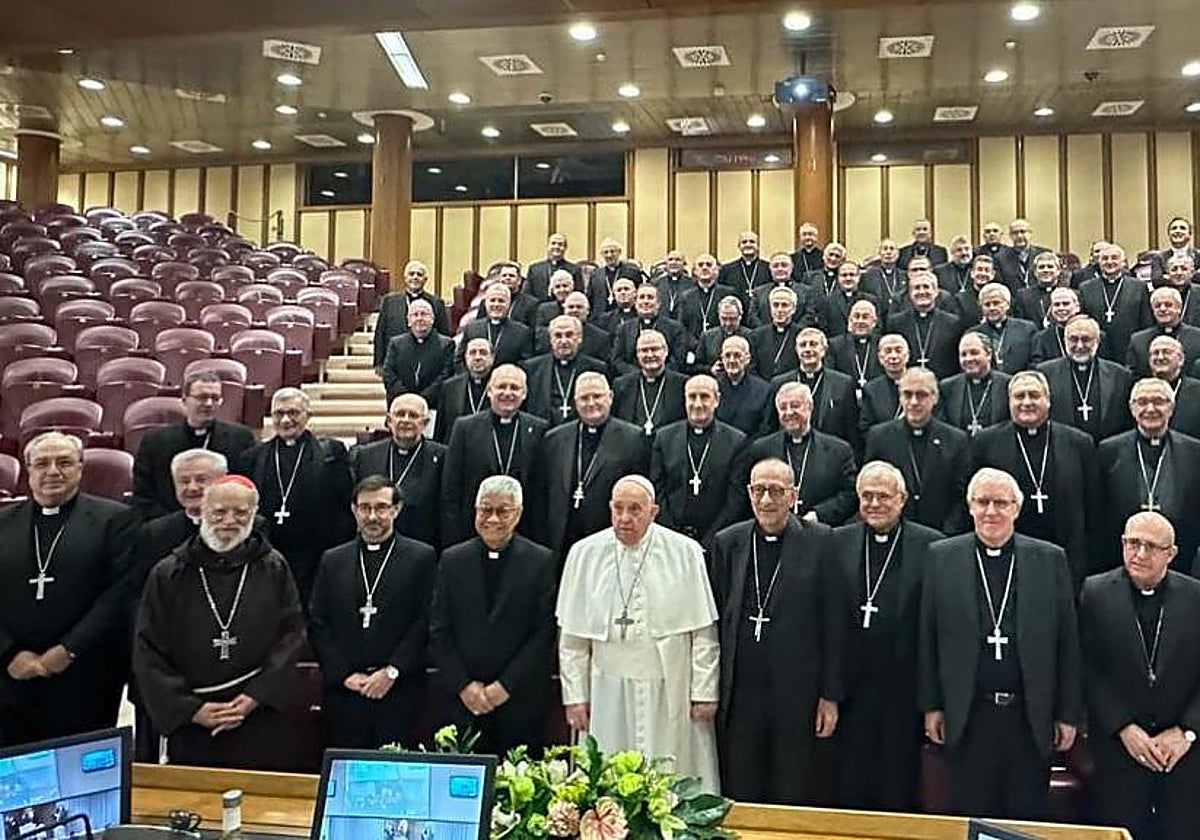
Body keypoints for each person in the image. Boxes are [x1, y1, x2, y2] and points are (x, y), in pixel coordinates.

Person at [919, 467, 1082, 820]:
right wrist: (932, 705)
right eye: (982, 502)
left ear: (1016, 509)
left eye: (1000, 503)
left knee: (1025, 817)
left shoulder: (1050, 559)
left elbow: (1067, 642)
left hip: (1029, 717)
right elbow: (929, 638)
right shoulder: (941, 557)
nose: (991, 511)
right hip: (969, 715)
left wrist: (1067, 713)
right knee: (971, 816)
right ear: (970, 507)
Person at [557, 475, 720, 792]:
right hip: (606, 690)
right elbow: (573, 641)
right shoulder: (584, 554)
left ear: (653, 511)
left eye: (635, 509)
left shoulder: (684, 552)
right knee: (607, 777)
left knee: (670, 775)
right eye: (618, 508)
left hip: (668, 685)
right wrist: (575, 697)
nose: (624, 518)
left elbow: (703, 633)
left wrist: (704, 691)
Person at [133, 475, 306, 769]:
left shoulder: (273, 566)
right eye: (219, 512)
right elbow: (147, 648)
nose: (229, 520)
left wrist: (255, 696)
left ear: (254, 514)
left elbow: (292, 635)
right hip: (193, 717)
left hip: (256, 712)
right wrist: (191, 708)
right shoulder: (169, 573)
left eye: (240, 512)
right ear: (202, 511)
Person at [708, 457, 841, 804]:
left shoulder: (822, 542)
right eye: (759, 490)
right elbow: (718, 618)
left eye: (776, 491)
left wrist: (830, 695)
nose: (766, 500)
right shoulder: (729, 542)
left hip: (797, 693)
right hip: (742, 693)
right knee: (741, 789)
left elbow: (834, 623)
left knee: (790, 789)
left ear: (793, 495)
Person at [0, 432, 135, 745]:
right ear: (28, 470)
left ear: (80, 468)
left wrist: (68, 650)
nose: (52, 472)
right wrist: (8, 653)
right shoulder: (3, 523)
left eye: (64, 463)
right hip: (10, 673)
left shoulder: (114, 520)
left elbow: (119, 594)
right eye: (42, 464)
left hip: (86, 671)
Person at [1079, 511, 1200, 840]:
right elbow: (1088, 668)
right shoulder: (1096, 592)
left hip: (1182, 754)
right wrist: (1123, 727)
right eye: (1132, 543)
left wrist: (1187, 732)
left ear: (1171, 554)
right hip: (1120, 749)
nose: (1140, 553)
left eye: (1151, 546)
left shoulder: (1195, 597)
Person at [830, 461, 942, 812]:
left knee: (899, 788)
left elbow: (936, 627)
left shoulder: (932, 546)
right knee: (849, 787)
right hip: (851, 690)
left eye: (883, 496)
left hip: (903, 690)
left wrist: (931, 701)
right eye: (866, 496)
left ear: (902, 499)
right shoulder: (837, 541)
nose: (874, 504)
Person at [430, 476, 556, 755]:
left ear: (519, 513)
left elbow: (543, 632)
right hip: (463, 699)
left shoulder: (540, 561)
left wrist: (505, 686)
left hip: (517, 698)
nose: (493, 519)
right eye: (485, 510)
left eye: (504, 511)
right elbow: (439, 630)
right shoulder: (452, 560)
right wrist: (464, 686)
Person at [309, 475, 436, 749]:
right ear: (354, 510)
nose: (373, 516)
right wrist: (345, 675)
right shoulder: (333, 560)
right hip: (345, 692)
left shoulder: (421, 557)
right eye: (365, 508)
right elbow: (319, 622)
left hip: (399, 690)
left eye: (381, 507)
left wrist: (392, 672)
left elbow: (425, 621)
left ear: (396, 509)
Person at [126, 448, 235, 760]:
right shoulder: (154, 534)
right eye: (183, 481)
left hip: (228, 667)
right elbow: (138, 602)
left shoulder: (251, 532)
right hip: (169, 669)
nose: (191, 488)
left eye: (201, 480)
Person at [969, 370, 1100, 587]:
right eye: (1019, 396)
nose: (1026, 402)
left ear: (1048, 400)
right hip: (1009, 551)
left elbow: (1093, 506)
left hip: (1067, 552)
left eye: (1034, 395)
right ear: (1009, 401)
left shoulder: (1079, 443)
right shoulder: (986, 443)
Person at [235, 388, 355, 604]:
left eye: (293, 413)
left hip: (316, 553)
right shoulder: (252, 458)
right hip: (268, 553)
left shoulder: (331, 455)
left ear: (308, 415)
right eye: (279, 414)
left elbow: (343, 506)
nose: (286, 420)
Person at [534, 372, 648, 557]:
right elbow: (541, 495)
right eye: (584, 398)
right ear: (575, 401)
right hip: (561, 540)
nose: (591, 403)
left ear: (610, 397)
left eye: (597, 396)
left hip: (608, 539)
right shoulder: (555, 439)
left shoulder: (632, 439)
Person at [1098, 377, 1200, 574]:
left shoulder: (1194, 452)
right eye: (1142, 402)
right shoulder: (1108, 451)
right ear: (1132, 408)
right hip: (1125, 560)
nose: (1150, 408)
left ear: (1171, 407)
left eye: (1159, 401)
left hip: (1181, 561)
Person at [440, 364, 548, 547]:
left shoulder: (538, 429)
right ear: (489, 391)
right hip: (472, 531)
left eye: (514, 388)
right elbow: (451, 486)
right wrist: (454, 537)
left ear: (524, 393)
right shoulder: (465, 427)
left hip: (523, 533)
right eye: (501, 387)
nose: (508, 393)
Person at [132, 370, 257, 520]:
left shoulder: (240, 438)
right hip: (169, 526)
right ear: (184, 400)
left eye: (215, 398)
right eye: (202, 397)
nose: (209, 404)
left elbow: (247, 489)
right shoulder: (156, 441)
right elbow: (143, 495)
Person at [864, 367, 968, 534]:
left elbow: (961, 496)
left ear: (934, 398)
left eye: (921, 395)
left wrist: (948, 533)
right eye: (907, 394)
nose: (913, 402)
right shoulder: (879, 437)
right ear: (900, 397)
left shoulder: (956, 440)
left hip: (942, 534)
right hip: (894, 532)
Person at [650, 375, 748, 546]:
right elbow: (657, 490)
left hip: (716, 541)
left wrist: (711, 539)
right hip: (671, 539)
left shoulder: (736, 441)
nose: (697, 404)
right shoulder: (664, 437)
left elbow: (735, 499)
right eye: (692, 397)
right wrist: (673, 535)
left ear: (716, 400)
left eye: (704, 397)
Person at [747, 382, 857, 526]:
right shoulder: (761, 449)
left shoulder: (839, 450)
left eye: (795, 405)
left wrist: (818, 515)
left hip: (822, 533)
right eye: (783, 407)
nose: (789, 412)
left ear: (810, 407)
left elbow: (850, 494)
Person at [349, 394, 444, 550]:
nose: (405, 420)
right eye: (400, 414)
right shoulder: (366, 455)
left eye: (413, 415)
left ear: (425, 422)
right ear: (389, 420)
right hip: (377, 541)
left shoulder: (442, 456)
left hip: (425, 544)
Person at [1039, 314, 1132, 443]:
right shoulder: (1045, 373)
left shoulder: (1120, 375)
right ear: (1065, 340)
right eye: (1073, 339)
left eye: (1086, 339)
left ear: (1097, 341)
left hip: (1106, 449)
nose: (1080, 345)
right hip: (1063, 448)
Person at [763, 328, 859, 449]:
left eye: (813, 344)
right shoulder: (779, 383)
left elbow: (851, 429)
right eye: (803, 345)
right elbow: (771, 426)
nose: (808, 349)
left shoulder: (843, 383)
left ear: (824, 350)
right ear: (797, 350)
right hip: (789, 449)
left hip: (831, 451)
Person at [523, 314, 608, 426]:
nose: (563, 341)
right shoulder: (532, 368)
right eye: (558, 336)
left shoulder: (596, 368)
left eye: (569, 335)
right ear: (550, 339)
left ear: (579, 338)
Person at [1078, 244, 1153, 362]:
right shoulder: (1086, 288)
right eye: (1105, 258)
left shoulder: (1138, 287)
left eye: (1114, 258)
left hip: (1129, 347)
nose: (1109, 262)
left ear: (1123, 262)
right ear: (1099, 262)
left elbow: (1146, 321)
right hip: (1098, 349)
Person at [373, 260, 451, 371]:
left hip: (427, 362)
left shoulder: (436, 303)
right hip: (396, 360)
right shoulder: (389, 301)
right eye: (411, 274)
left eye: (419, 274)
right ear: (405, 278)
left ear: (425, 280)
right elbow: (380, 333)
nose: (415, 277)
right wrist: (378, 363)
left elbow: (443, 334)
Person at [887, 271, 962, 380]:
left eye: (926, 287)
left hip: (943, 384)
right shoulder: (896, 322)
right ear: (910, 294)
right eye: (917, 288)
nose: (922, 292)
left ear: (936, 292)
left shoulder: (953, 322)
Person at [381, 299, 455, 407]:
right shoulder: (396, 344)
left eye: (424, 314)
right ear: (409, 321)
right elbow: (389, 374)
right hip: (401, 405)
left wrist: (422, 399)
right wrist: (408, 399)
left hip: (433, 406)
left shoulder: (446, 345)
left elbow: (445, 376)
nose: (419, 318)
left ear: (432, 319)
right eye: (415, 315)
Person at [612, 330, 686, 436]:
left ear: (665, 351)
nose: (650, 355)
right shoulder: (621, 385)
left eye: (654, 349)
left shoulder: (682, 384)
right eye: (644, 350)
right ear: (637, 354)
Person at [937, 332, 1011, 437]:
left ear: (989, 354)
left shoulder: (1006, 384)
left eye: (974, 353)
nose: (968, 359)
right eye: (963, 354)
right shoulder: (947, 387)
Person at [608, 284, 689, 376]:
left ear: (658, 303)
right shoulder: (624, 329)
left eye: (650, 297)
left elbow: (677, 359)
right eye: (642, 297)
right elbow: (617, 360)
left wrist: (658, 372)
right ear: (635, 303)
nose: (646, 301)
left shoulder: (675, 328)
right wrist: (639, 375)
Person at [1127, 286, 1200, 377]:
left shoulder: (1197, 337)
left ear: (1179, 308)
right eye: (1157, 306)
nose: (1162, 309)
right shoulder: (1138, 341)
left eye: (1168, 305)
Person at [967, 282, 1038, 375]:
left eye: (996, 303)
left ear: (1007, 305)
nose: (992, 308)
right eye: (987, 304)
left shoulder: (1027, 329)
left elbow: (1035, 360)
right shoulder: (973, 334)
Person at [459, 283, 533, 369]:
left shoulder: (522, 332)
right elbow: (460, 359)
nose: (496, 305)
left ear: (508, 304)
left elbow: (526, 363)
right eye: (492, 300)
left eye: (501, 301)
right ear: (486, 303)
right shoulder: (472, 328)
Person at [435, 337, 494, 443]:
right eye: (472, 353)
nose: (477, 357)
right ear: (466, 357)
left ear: (492, 357)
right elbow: (441, 428)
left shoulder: (500, 386)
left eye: (483, 353)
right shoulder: (449, 387)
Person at [713, 335, 771, 437]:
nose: (732, 360)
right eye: (727, 355)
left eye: (737, 355)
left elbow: (765, 428)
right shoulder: (713, 389)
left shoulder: (763, 390)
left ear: (747, 358)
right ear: (722, 359)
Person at [828, 299, 884, 393]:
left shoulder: (882, 344)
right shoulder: (835, 345)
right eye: (856, 316)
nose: (860, 321)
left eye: (865, 317)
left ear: (874, 322)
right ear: (850, 320)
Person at [1150, 335, 1200, 438]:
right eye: (1155, 353)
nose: (1160, 357)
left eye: (1166, 352)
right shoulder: (1139, 390)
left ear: (1181, 359)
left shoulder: (1197, 391)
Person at [749, 286, 802, 381]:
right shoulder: (757, 335)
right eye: (776, 305)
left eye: (784, 305)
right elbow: (751, 367)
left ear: (793, 309)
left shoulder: (801, 335)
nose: (780, 310)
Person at [678, 253, 737, 339]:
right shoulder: (687, 296)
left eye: (709, 265)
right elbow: (682, 327)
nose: (704, 268)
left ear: (716, 270)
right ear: (695, 271)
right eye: (700, 265)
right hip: (693, 347)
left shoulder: (727, 293)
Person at [858, 333, 908, 430]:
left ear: (907, 355)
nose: (893, 356)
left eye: (898, 350)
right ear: (880, 358)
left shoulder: (921, 384)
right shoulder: (871, 389)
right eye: (888, 351)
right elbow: (866, 427)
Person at [819, 260, 879, 338]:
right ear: (838, 278)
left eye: (852, 275)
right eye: (844, 275)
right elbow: (823, 328)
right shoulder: (828, 301)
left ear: (859, 277)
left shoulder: (871, 300)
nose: (848, 278)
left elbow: (878, 327)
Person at [586, 239, 643, 319]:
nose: (609, 255)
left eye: (612, 251)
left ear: (619, 252)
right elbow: (590, 298)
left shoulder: (632, 271)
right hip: (600, 317)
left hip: (626, 316)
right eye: (606, 252)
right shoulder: (595, 274)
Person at [1030, 286, 1084, 364]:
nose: (1061, 308)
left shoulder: (1093, 334)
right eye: (1056, 305)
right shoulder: (1041, 339)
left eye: (1066, 304)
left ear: (1077, 307)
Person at [995, 218, 1051, 291]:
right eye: (1015, 233)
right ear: (1010, 235)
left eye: (1023, 232)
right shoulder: (1000, 258)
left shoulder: (1044, 254)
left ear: (1030, 234)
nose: (1019, 236)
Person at [525, 233, 583, 300]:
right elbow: (527, 295)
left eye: (560, 244)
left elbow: (578, 294)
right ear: (547, 246)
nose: (556, 247)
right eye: (553, 243)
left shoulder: (574, 269)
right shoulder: (534, 269)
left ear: (565, 248)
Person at [1013, 251, 1062, 327]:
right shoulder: (1023, 296)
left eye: (1050, 266)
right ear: (1035, 272)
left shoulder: (1069, 294)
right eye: (1041, 267)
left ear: (1058, 271)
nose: (1046, 270)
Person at [717, 230, 771, 298]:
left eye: (752, 242)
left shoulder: (768, 268)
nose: (748, 245)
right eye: (744, 242)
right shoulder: (726, 270)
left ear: (758, 246)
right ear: (739, 246)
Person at [653, 250, 695, 321]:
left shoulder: (692, 283)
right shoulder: (657, 283)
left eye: (678, 260)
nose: (673, 263)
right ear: (666, 264)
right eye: (670, 260)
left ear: (684, 264)